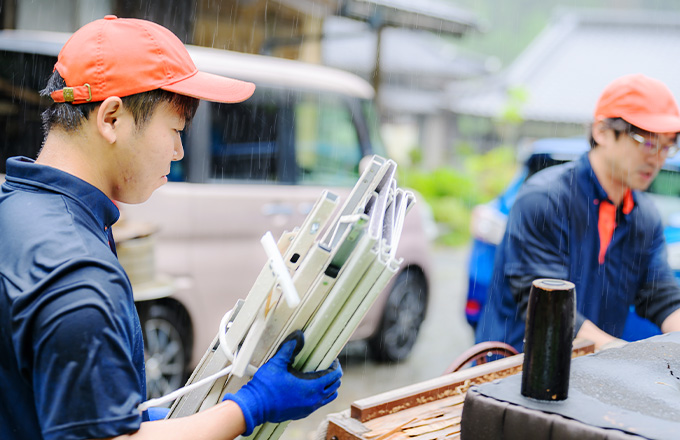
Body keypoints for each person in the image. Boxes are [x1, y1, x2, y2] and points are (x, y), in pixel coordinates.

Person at [0, 16, 342, 440]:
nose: (179, 151)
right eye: (175, 129)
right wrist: (251, 405)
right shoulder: (79, 276)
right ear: (111, 118)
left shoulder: (14, 209)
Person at [475, 73, 680, 353]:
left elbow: (661, 296)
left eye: (667, 145)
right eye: (646, 141)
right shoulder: (545, 200)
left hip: (589, 376)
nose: (656, 158)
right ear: (602, 131)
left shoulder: (645, 217)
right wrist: (625, 356)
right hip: (513, 371)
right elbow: (548, 307)